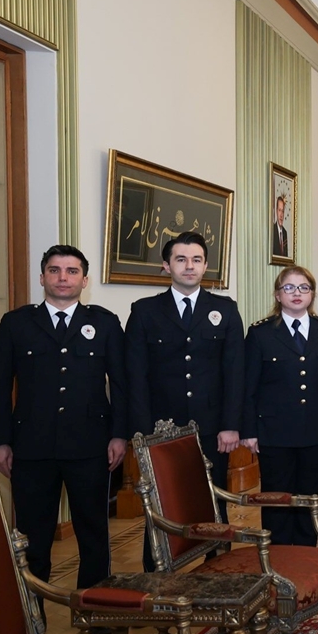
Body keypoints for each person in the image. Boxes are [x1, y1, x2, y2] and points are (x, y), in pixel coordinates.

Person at [0, 245, 126, 592]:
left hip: (91, 446)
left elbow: (123, 384)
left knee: (93, 534)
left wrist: (120, 434)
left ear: (84, 280)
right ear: (42, 277)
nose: (63, 278)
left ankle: (93, 607)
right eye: (55, 270)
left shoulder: (105, 323)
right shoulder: (16, 323)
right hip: (32, 448)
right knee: (33, 538)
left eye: (72, 271)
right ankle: (33, 615)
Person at [126, 231, 244, 566]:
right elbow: (136, 376)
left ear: (206, 266)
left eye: (196, 260)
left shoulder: (225, 309)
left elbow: (235, 372)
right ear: (167, 266)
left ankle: (218, 572)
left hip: (212, 427)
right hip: (161, 429)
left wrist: (231, 425)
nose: (189, 266)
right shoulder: (145, 311)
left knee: (214, 500)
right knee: (160, 502)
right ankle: (156, 576)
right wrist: (141, 434)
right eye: (181, 259)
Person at [242, 266, 318, 546]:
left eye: (304, 287)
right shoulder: (260, 334)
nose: (297, 293)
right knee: (276, 497)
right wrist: (249, 430)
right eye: (289, 288)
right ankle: (277, 556)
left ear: (312, 294)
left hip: (316, 429)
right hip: (274, 431)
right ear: (278, 295)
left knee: (309, 495)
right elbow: (248, 387)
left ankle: (305, 553)